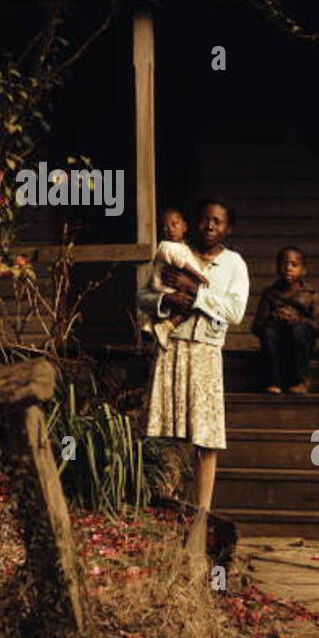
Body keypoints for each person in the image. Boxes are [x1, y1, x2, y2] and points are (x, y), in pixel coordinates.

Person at [138, 198, 248, 518]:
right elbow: (143, 295)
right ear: (192, 223)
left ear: (228, 228)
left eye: (218, 222)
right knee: (163, 432)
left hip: (205, 353)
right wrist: (166, 298)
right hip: (171, 347)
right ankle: (165, 507)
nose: (210, 226)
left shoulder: (233, 264)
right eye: (204, 220)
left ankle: (201, 514)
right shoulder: (175, 253)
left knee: (206, 436)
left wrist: (196, 291)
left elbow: (235, 311)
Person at [251, 246, 319, 394]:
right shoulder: (270, 294)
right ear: (277, 268)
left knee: (298, 329)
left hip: (300, 345)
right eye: (284, 264)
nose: (288, 268)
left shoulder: (312, 295)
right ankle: (274, 381)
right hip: (277, 344)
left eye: (294, 265)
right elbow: (257, 326)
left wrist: (299, 320)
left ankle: (299, 381)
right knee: (269, 331)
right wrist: (274, 318)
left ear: (303, 270)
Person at [139, 206, 211, 350]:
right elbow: (181, 263)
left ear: (185, 227)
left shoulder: (185, 249)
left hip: (195, 339)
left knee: (192, 302)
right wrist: (199, 276)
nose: (170, 229)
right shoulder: (167, 246)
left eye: (175, 224)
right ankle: (163, 327)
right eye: (165, 227)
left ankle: (153, 326)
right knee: (189, 303)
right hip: (164, 286)